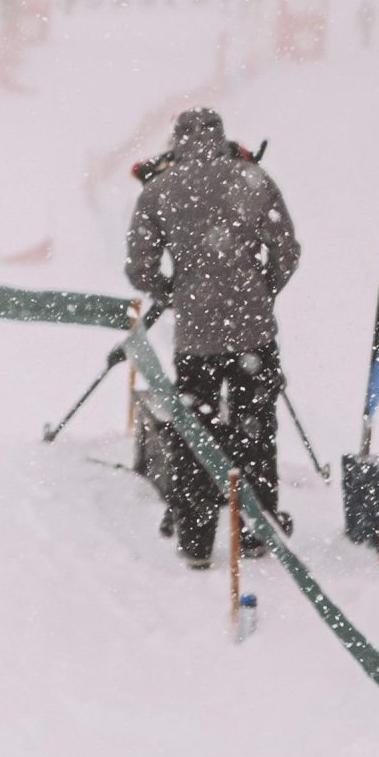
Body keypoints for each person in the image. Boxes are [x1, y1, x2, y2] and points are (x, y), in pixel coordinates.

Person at [124, 108, 301, 569]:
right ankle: (257, 531)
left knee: (193, 432)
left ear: (177, 143)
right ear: (222, 137)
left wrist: (176, 293)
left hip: (196, 337)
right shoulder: (253, 180)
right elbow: (287, 249)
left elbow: (139, 268)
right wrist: (262, 289)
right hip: (253, 333)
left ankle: (196, 539)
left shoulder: (159, 191)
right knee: (255, 428)